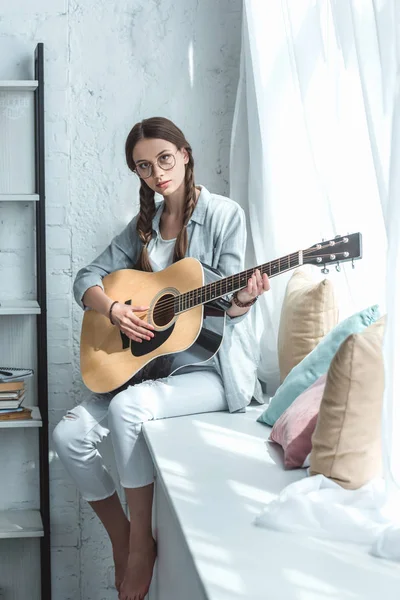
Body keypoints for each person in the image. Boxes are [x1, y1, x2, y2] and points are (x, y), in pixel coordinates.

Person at [53, 117, 270, 600]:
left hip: (211, 370)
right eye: (144, 167)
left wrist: (245, 300)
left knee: (128, 409)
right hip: (152, 367)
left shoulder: (223, 215)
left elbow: (227, 314)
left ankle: (140, 552)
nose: (157, 174)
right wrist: (111, 307)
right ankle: (124, 536)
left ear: (186, 154)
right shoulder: (143, 228)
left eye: (164, 160)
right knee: (67, 436)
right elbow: (85, 277)